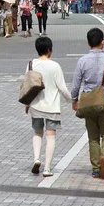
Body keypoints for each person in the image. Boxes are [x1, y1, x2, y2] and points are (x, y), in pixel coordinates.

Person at [71, 28, 104, 179]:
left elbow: (76, 84)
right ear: (102, 42)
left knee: (93, 138)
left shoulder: (82, 61)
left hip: (89, 104)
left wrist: (75, 100)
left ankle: (95, 169)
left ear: (88, 43)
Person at [25, 37, 73, 177]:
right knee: (50, 135)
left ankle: (36, 159)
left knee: (37, 132)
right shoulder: (55, 66)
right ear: (49, 50)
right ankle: (47, 168)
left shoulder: (30, 64)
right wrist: (72, 101)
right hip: (51, 107)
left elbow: (27, 86)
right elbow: (63, 88)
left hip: (35, 105)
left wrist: (27, 104)